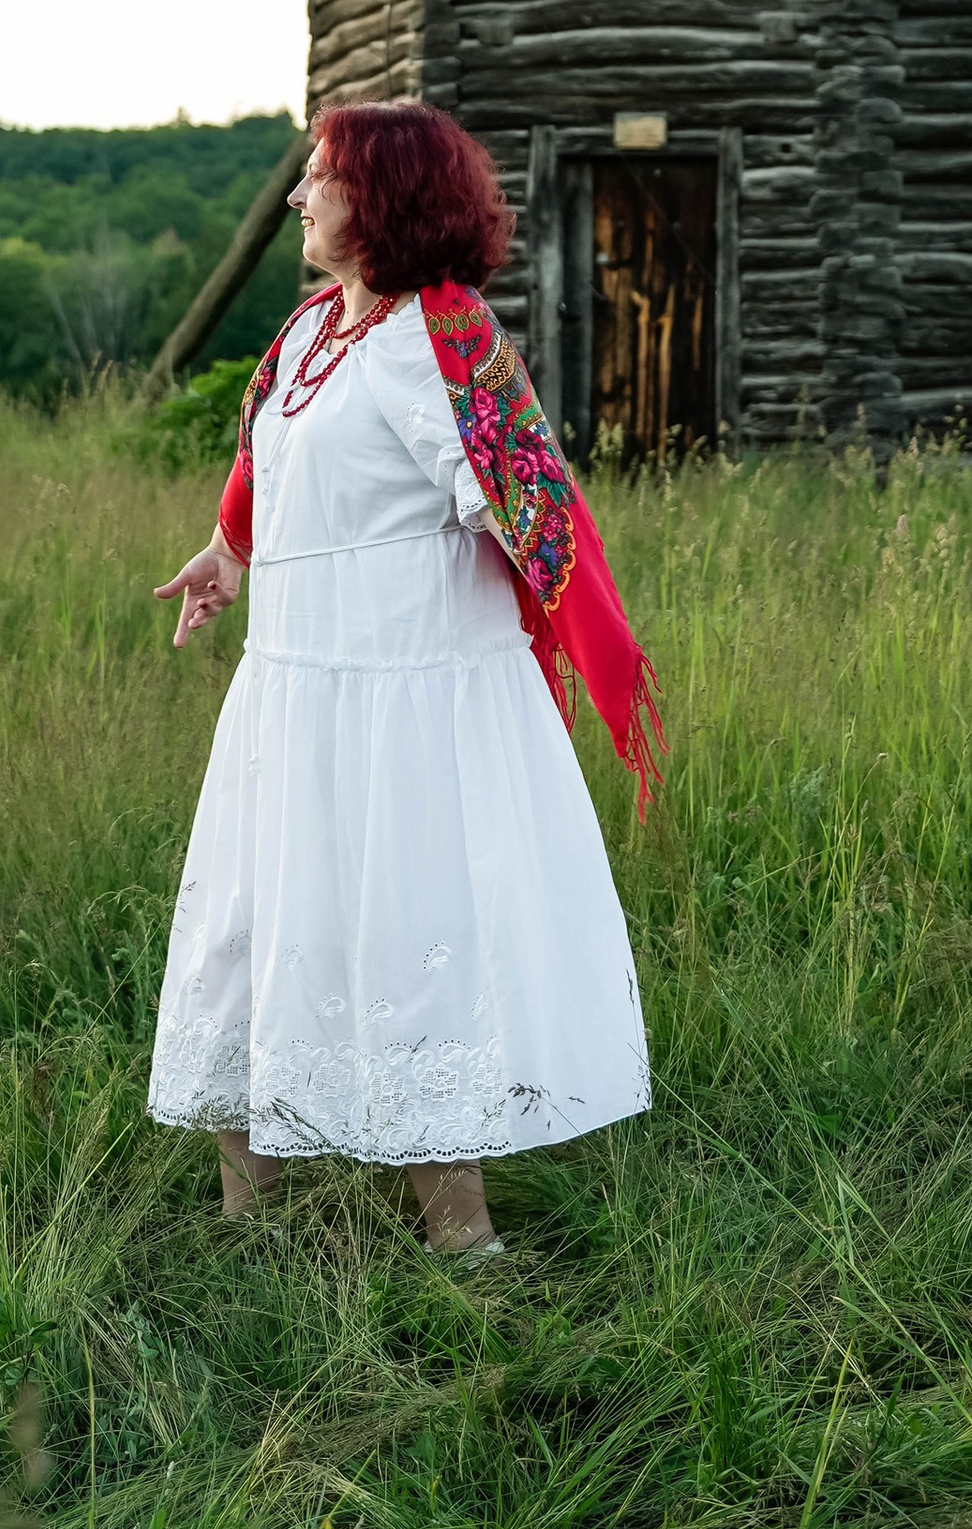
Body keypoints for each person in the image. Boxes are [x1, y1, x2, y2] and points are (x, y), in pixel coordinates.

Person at [146, 102, 660, 1260]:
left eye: (318, 179)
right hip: (294, 692)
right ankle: (250, 1223)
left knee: (406, 941)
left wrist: (568, 629)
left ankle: (458, 1237)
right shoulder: (311, 330)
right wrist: (227, 554)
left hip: (407, 701)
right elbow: (268, 467)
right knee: (261, 924)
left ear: (382, 199)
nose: (297, 198)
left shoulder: (443, 337)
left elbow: (522, 499)